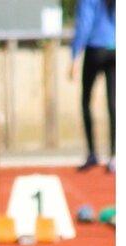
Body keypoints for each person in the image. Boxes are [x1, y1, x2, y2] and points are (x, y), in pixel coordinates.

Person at [71, 0, 116, 172]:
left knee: (86, 101)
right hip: (115, 49)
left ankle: (92, 153)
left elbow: (84, 23)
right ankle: (115, 155)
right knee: (113, 105)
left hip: (95, 49)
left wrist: (75, 55)